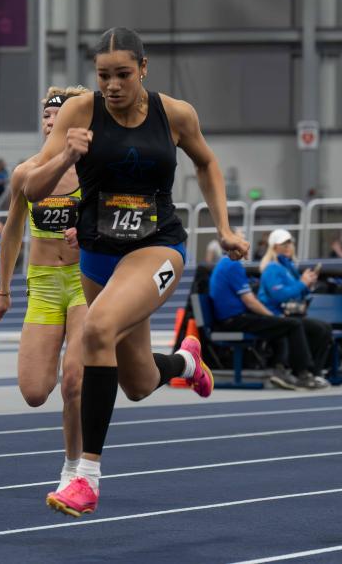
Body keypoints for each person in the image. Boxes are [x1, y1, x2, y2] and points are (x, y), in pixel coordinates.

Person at [24, 27, 249, 517]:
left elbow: (207, 164)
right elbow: (33, 189)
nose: (112, 85)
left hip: (156, 249)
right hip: (99, 258)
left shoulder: (177, 114)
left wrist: (225, 229)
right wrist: (66, 155)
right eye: (103, 76)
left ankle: (86, 478)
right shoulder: (78, 113)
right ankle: (187, 363)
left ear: (143, 68)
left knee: (97, 330)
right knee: (139, 381)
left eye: (123, 74)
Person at [0, 86, 89, 507]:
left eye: (61, 118)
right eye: (48, 118)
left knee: (74, 381)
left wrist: (90, 233)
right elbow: (12, 231)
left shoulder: (95, 171)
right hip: (44, 285)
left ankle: (74, 469)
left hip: (86, 282)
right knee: (35, 391)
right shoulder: (26, 174)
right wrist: (3, 290)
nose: (53, 124)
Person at [210, 250, 328, 390]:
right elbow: (251, 301)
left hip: (234, 318)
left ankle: (285, 369)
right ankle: (301, 374)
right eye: (242, 240)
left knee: (294, 325)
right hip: (234, 320)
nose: (247, 245)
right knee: (292, 325)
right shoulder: (233, 265)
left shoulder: (228, 263)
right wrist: (272, 316)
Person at [258, 229, 332, 389]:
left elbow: (296, 295)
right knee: (314, 328)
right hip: (275, 316)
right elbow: (279, 296)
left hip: (290, 315)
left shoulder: (289, 268)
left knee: (324, 328)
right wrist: (302, 283)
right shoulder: (272, 268)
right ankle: (303, 372)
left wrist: (307, 286)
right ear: (274, 247)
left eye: (290, 243)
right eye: (283, 243)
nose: (288, 246)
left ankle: (315, 371)